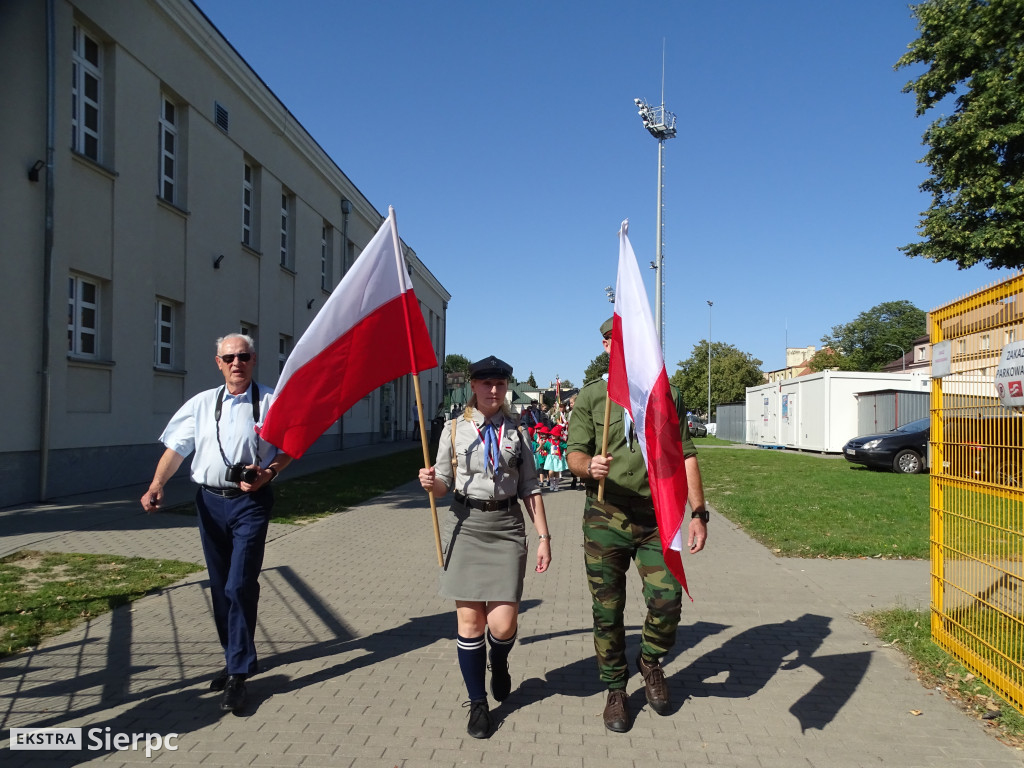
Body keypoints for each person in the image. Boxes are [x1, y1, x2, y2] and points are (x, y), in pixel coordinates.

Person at [566, 317, 708, 733]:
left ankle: (649, 660)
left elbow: (687, 455)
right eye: (615, 342)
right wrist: (587, 467)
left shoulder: (665, 395)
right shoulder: (593, 397)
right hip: (604, 516)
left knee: (667, 600)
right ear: (606, 346)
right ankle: (615, 688)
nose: (623, 348)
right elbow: (573, 452)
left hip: (655, 518)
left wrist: (698, 513)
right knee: (607, 610)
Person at [141, 333, 292, 714]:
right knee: (221, 586)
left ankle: (238, 674)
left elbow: (291, 447)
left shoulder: (272, 401)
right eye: (229, 357)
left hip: (251, 503)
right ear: (218, 362)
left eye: (243, 356)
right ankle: (235, 658)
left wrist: (268, 473)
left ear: (253, 359)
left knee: (240, 583)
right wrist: (157, 484)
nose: (236, 363)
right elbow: (177, 448)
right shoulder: (203, 404)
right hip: (209, 502)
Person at [418, 355, 551, 739]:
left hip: (507, 527)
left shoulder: (517, 430)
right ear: (473, 387)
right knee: (470, 622)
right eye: (486, 384)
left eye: (500, 384)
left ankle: (500, 658)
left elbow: (530, 487)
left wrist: (544, 538)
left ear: (506, 388)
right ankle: (478, 703)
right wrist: (432, 483)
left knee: (503, 623)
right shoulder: (454, 429)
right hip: (467, 526)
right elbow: (444, 483)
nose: (493, 391)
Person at [543, 424, 568, 492]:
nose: (553, 436)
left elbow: (566, 447)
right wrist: (542, 445)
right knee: (550, 471)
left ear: (558, 435)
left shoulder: (561, 442)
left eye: (555, 434)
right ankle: (552, 484)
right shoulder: (548, 442)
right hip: (551, 458)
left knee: (557, 471)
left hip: (557, 458)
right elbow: (544, 448)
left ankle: (556, 485)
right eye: (552, 434)